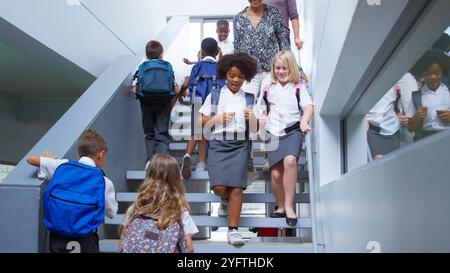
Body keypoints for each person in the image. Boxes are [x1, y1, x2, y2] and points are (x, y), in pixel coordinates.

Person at [199, 53, 258, 246]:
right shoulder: (215, 94)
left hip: (240, 145)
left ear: (246, 77)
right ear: (225, 74)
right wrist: (216, 119)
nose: (236, 80)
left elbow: (256, 130)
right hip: (218, 144)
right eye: (232, 75)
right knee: (219, 188)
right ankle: (224, 200)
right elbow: (199, 121)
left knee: (236, 189)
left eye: (240, 76)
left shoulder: (249, 98)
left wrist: (253, 119)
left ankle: (233, 231)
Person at [26, 129, 118, 253]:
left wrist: (52, 160)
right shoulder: (104, 181)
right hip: (86, 240)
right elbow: (112, 213)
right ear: (101, 154)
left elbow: (31, 159)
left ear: (78, 154)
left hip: (57, 238)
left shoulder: (61, 166)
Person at [257, 50, 313, 226]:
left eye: (284, 68)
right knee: (275, 174)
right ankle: (280, 206)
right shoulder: (268, 88)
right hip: (273, 133)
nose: (281, 71)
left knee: (290, 161)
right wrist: (262, 117)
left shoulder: (298, 87)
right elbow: (262, 109)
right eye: (278, 68)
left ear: (291, 69)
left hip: (293, 131)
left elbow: (309, 107)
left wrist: (304, 121)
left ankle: (289, 206)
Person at [120, 154, 198, 253]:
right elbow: (188, 248)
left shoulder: (135, 208)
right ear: (176, 180)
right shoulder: (180, 211)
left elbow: (123, 244)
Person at [181, 38, 226, 179]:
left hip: (197, 101)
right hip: (213, 102)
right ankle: (201, 163)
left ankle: (188, 154)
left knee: (197, 131)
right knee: (207, 133)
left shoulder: (197, 66)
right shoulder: (219, 67)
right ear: (217, 52)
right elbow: (223, 85)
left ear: (202, 52)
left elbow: (189, 85)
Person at [132, 41, 180, 168]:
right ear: (161, 54)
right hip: (163, 102)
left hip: (146, 101)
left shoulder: (143, 66)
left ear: (146, 55)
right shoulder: (167, 66)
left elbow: (135, 89)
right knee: (162, 133)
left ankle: (149, 162)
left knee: (149, 133)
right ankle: (162, 162)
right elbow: (175, 89)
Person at [234, 0, 290, 99]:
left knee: (272, 105)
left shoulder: (274, 13)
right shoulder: (239, 18)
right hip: (249, 73)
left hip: (271, 71)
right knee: (246, 106)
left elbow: (283, 42)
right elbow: (237, 49)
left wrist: (295, 68)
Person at [407, 50, 450, 141]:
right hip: (425, 139)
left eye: (436, 73)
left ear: (443, 72)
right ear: (422, 75)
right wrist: (417, 117)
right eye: (428, 74)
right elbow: (410, 129)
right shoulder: (417, 97)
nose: (433, 77)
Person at [366, 85, 411, 160]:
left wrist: (400, 117)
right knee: (379, 160)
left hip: (392, 132)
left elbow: (396, 109)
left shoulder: (395, 88)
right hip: (373, 131)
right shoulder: (368, 87)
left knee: (393, 161)